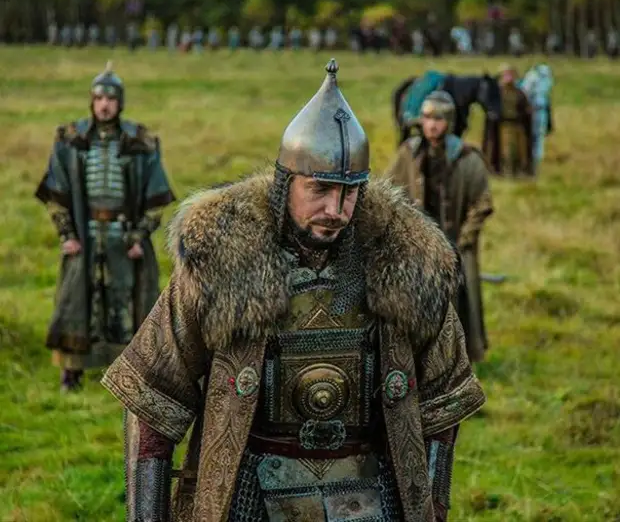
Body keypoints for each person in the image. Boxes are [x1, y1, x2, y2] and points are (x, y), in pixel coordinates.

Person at [102, 59, 485, 522]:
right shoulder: (223, 260)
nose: (336, 209)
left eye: (349, 192)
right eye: (320, 189)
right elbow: (151, 396)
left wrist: (432, 509)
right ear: (286, 183)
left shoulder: (406, 263)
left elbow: (445, 402)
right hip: (249, 491)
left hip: (371, 492)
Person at [35, 62, 175, 392]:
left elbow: (156, 198)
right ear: (92, 101)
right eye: (99, 98)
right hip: (83, 235)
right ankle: (71, 373)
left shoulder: (140, 141)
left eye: (111, 99)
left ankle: (130, 376)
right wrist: (67, 234)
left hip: (124, 236)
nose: (104, 105)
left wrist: (139, 236)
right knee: (75, 300)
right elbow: (57, 193)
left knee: (126, 303)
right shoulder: (71, 140)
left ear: (120, 102)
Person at [388, 91, 493, 364]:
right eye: (427, 118)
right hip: (418, 247)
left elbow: (482, 203)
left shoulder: (467, 158)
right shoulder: (409, 154)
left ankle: (457, 359)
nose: (432, 125)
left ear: (450, 122)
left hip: (455, 243)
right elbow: (389, 194)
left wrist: (463, 240)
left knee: (458, 304)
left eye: (438, 119)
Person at [483, 63, 532, 177]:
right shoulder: (497, 92)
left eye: (511, 74)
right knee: (506, 151)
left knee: (521, 151)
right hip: (503, 126)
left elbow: (526, 109)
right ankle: (506, 173)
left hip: (519, 125)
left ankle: (520, 172)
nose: (509, 77)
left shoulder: (519, 92)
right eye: (506, 74)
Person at [519, 64, 554, 175]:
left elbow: (545, 94)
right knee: (532, 135)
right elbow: (525, 92)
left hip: (541, 110)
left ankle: (537, 158)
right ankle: (531, 158)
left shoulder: (547, 79)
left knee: (539, 134)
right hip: (533, 110)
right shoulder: (532, 77)